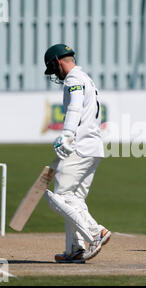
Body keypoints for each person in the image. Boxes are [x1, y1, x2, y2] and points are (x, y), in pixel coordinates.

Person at [43, 44, 111, 263]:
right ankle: (74, 249)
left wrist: (67, 134)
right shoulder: (85, 78)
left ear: (58, 62)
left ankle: (95, 232)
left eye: (53, 69)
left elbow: (75, 107)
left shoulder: (73, 79)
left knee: (59, 198)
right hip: (94, 146)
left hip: (79, 145)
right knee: (74, 199)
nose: (55, 74)